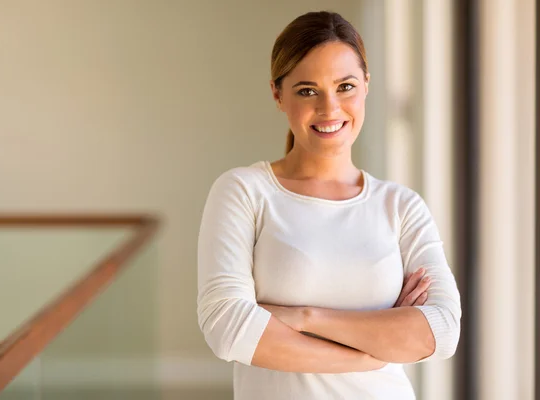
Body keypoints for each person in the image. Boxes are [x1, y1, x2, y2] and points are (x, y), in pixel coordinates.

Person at [196, 10, 461, 400]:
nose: (329, 108)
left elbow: (442, 331)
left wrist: (303, 317)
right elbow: (228, 329)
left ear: (367, 85)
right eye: (307, 90)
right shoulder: (244, 192)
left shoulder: (401, 207)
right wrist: (371, 353)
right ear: (277, 95)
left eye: (345, 86)